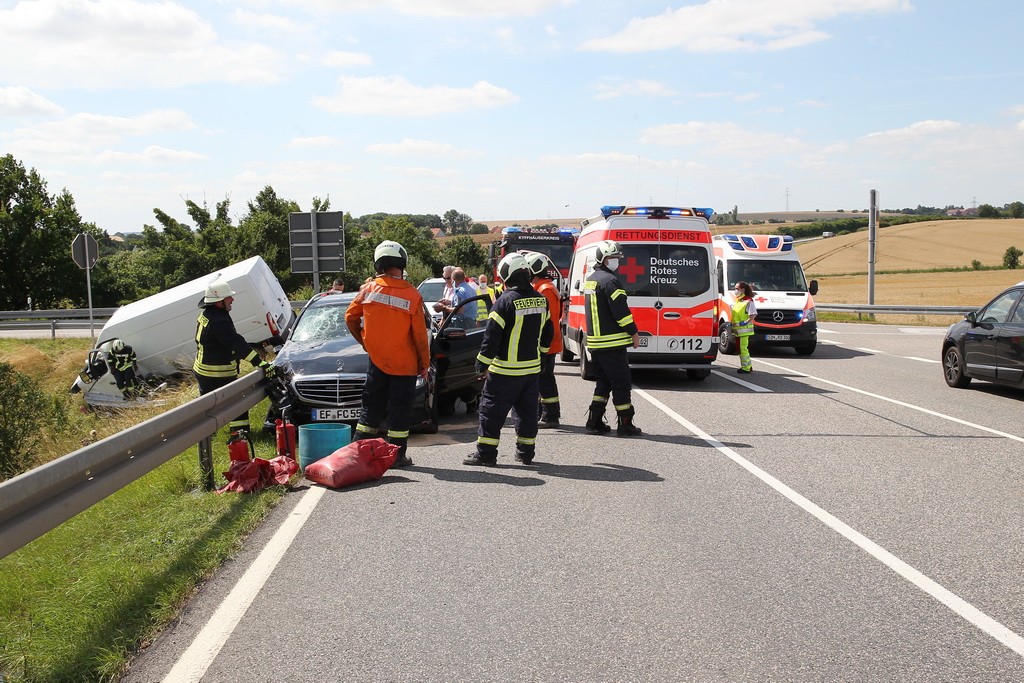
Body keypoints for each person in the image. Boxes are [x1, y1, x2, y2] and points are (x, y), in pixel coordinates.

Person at [345, 241, 430, 468]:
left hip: (377, 362)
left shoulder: (368, 289)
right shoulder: (412, 295)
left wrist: (365, 341)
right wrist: (425, 363)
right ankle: (397, 456)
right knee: (400, 412)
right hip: (405, 365)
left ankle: (359, 453)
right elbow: (420, 337)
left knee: (370, 409)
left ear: (378, 263)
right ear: (402, 263)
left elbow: (350, 318)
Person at [464, 252, 552, 466]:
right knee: (528, 413)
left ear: (506, 275)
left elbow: (491, 338)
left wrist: (481, 365)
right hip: (531, 371)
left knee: (491, 412)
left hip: (504, 371)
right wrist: (541, 354)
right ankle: (525, 453)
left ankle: (485, 454)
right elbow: (548, 332)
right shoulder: (542, 300)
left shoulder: (504, 302)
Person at [193, 277, 275, 437]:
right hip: (217, 374)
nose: (232, 299)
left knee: (208, 408)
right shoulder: (219, 321)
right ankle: (239, 438)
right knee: (238, 407)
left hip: (203, 370)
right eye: (228, 297)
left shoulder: (209, 314)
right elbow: (236, 343)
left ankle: (208, 436)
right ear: (218, 302)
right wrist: (260, 362)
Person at [583, 240, 641, 437]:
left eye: (617, 258)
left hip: (596, 344)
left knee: (604, 383)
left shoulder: (591, 279)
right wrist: (633, 332)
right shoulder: (610, 281)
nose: (616, 262)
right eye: (612, 258)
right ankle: (625, 424)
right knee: (621, 383)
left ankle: (594, 421)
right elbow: (621, 313)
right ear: (603, 259)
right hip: (612, 343)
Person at [525, 252, 563, 428]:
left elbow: (545, 320)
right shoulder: (543, 287)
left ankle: (550, 415)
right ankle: (544, 412)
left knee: (545, 379)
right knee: (542, 379)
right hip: (547, 341)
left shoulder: (545, 290)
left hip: (547, 342)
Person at [731, 280, 758, 374]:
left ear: (742, 290)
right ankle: (747, 366)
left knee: (743, 349)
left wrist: (745, 322)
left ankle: (746, 368)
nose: (735, 290)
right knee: (740, 349)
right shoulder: (739, 300)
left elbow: (753, 314)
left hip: (744, 330)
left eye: (737, 288)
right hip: (738, 331)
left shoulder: (748, 301)